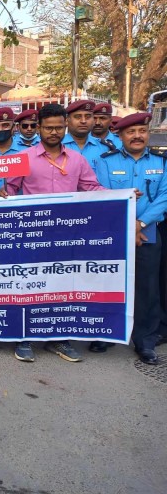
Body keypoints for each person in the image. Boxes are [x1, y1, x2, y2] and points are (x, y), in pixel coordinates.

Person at [0, 103, 104, 363]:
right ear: (39, 128)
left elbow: (91, 188)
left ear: (65, 126)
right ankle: (24, 337)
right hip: (32, 235)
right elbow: (10, 191)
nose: (54, 132)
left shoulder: (78, 160)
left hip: (67, 235)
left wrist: (122, 197)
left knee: (62, 287)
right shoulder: (22, 159)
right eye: (48, 128)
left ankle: (59, 339)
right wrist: (3, 195)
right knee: (28, 285)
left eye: (59, 127)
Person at [95, 113, 167, 365]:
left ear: (148, 133)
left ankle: (145, 342)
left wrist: (140, 223)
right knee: (109, 285)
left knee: (148, 291)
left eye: (142, 131)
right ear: (120, 136)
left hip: (147, 234)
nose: (137, 136)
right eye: (131, 132)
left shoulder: (162, 162)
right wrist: (128, 225)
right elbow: (104, 194)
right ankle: (105, 334)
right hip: (114, 233)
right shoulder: (105, 162)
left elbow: (164, 198)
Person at [62, 100, 110, 170]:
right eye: (78, 117)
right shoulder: (57, 145)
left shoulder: (105, 147)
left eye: (88, 117)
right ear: (67, 120)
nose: (83, 121)